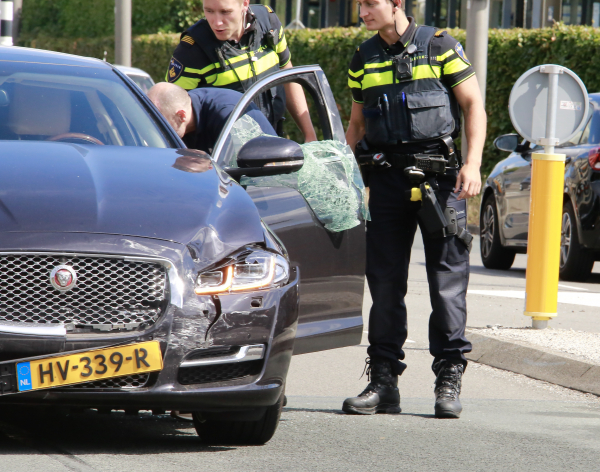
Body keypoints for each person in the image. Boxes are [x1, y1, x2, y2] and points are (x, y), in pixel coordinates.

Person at [342, 0, 486, 418]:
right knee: (385, 284)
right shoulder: (363, 58)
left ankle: (448, 378)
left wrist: (473, 163)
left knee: (446, 286)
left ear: (397, 4)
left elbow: (472, 105)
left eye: (371, 4)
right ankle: (384, 381)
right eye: (360, 5)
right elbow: (357, 125)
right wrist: (346, 180)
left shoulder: (439, 46)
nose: (364, 12)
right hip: (386, 179)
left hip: (441, 181)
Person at [166, 0, 315, 141]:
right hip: (220, 158)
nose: (217, 22)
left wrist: (310, 135)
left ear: (244, 3)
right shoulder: (191, 50)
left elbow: (288, 75)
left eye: (225, 12)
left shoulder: (268, 21)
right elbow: (172, 111)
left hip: (273, 145)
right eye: (209, 11)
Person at [148, 82, 275, 154]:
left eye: (161, 124)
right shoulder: (184, 108)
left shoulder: (227, 115)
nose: (156, 131)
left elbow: (240, 171)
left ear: (181, 116)